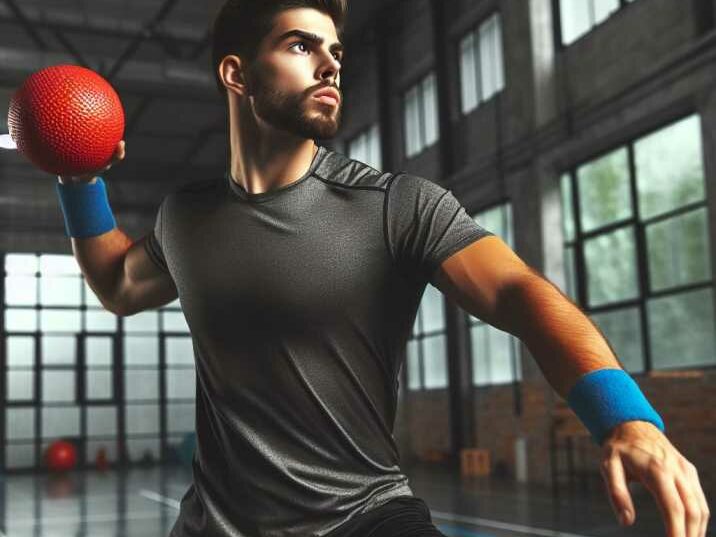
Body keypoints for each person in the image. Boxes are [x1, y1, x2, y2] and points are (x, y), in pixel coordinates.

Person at [53, 1, 710, 536]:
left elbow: (519, 292)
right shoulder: (185, 218)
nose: (330, 66)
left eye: (336, 53)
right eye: (301, 46)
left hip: (364, 518)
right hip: (214, 524)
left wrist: (626, 416)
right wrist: (80, 180)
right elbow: (116, 284)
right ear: (237, 74)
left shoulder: (395, 205)